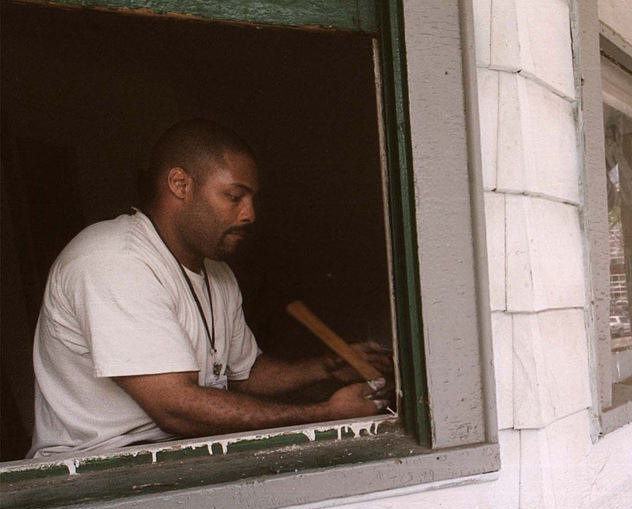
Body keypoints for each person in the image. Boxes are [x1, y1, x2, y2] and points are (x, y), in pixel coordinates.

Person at [29, 118, 392, 458]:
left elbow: (244, 374)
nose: (250, 214)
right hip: (94, 471)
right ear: (180, 184)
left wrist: (325, 369)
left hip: (178, 455)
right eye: (235, 197)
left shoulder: (217, 272)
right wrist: (323, 415)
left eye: (252, 199)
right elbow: (176, 408)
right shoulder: (112, 259)